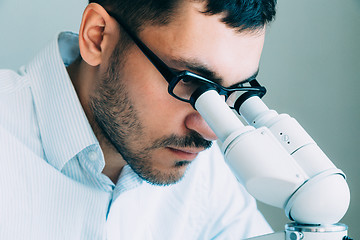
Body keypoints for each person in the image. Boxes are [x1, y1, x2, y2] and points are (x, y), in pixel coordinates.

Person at [0, 0, 277, 239]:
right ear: (97, 37)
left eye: (234, 93)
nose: (209, 130)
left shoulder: (206, 172)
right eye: (189, 82)